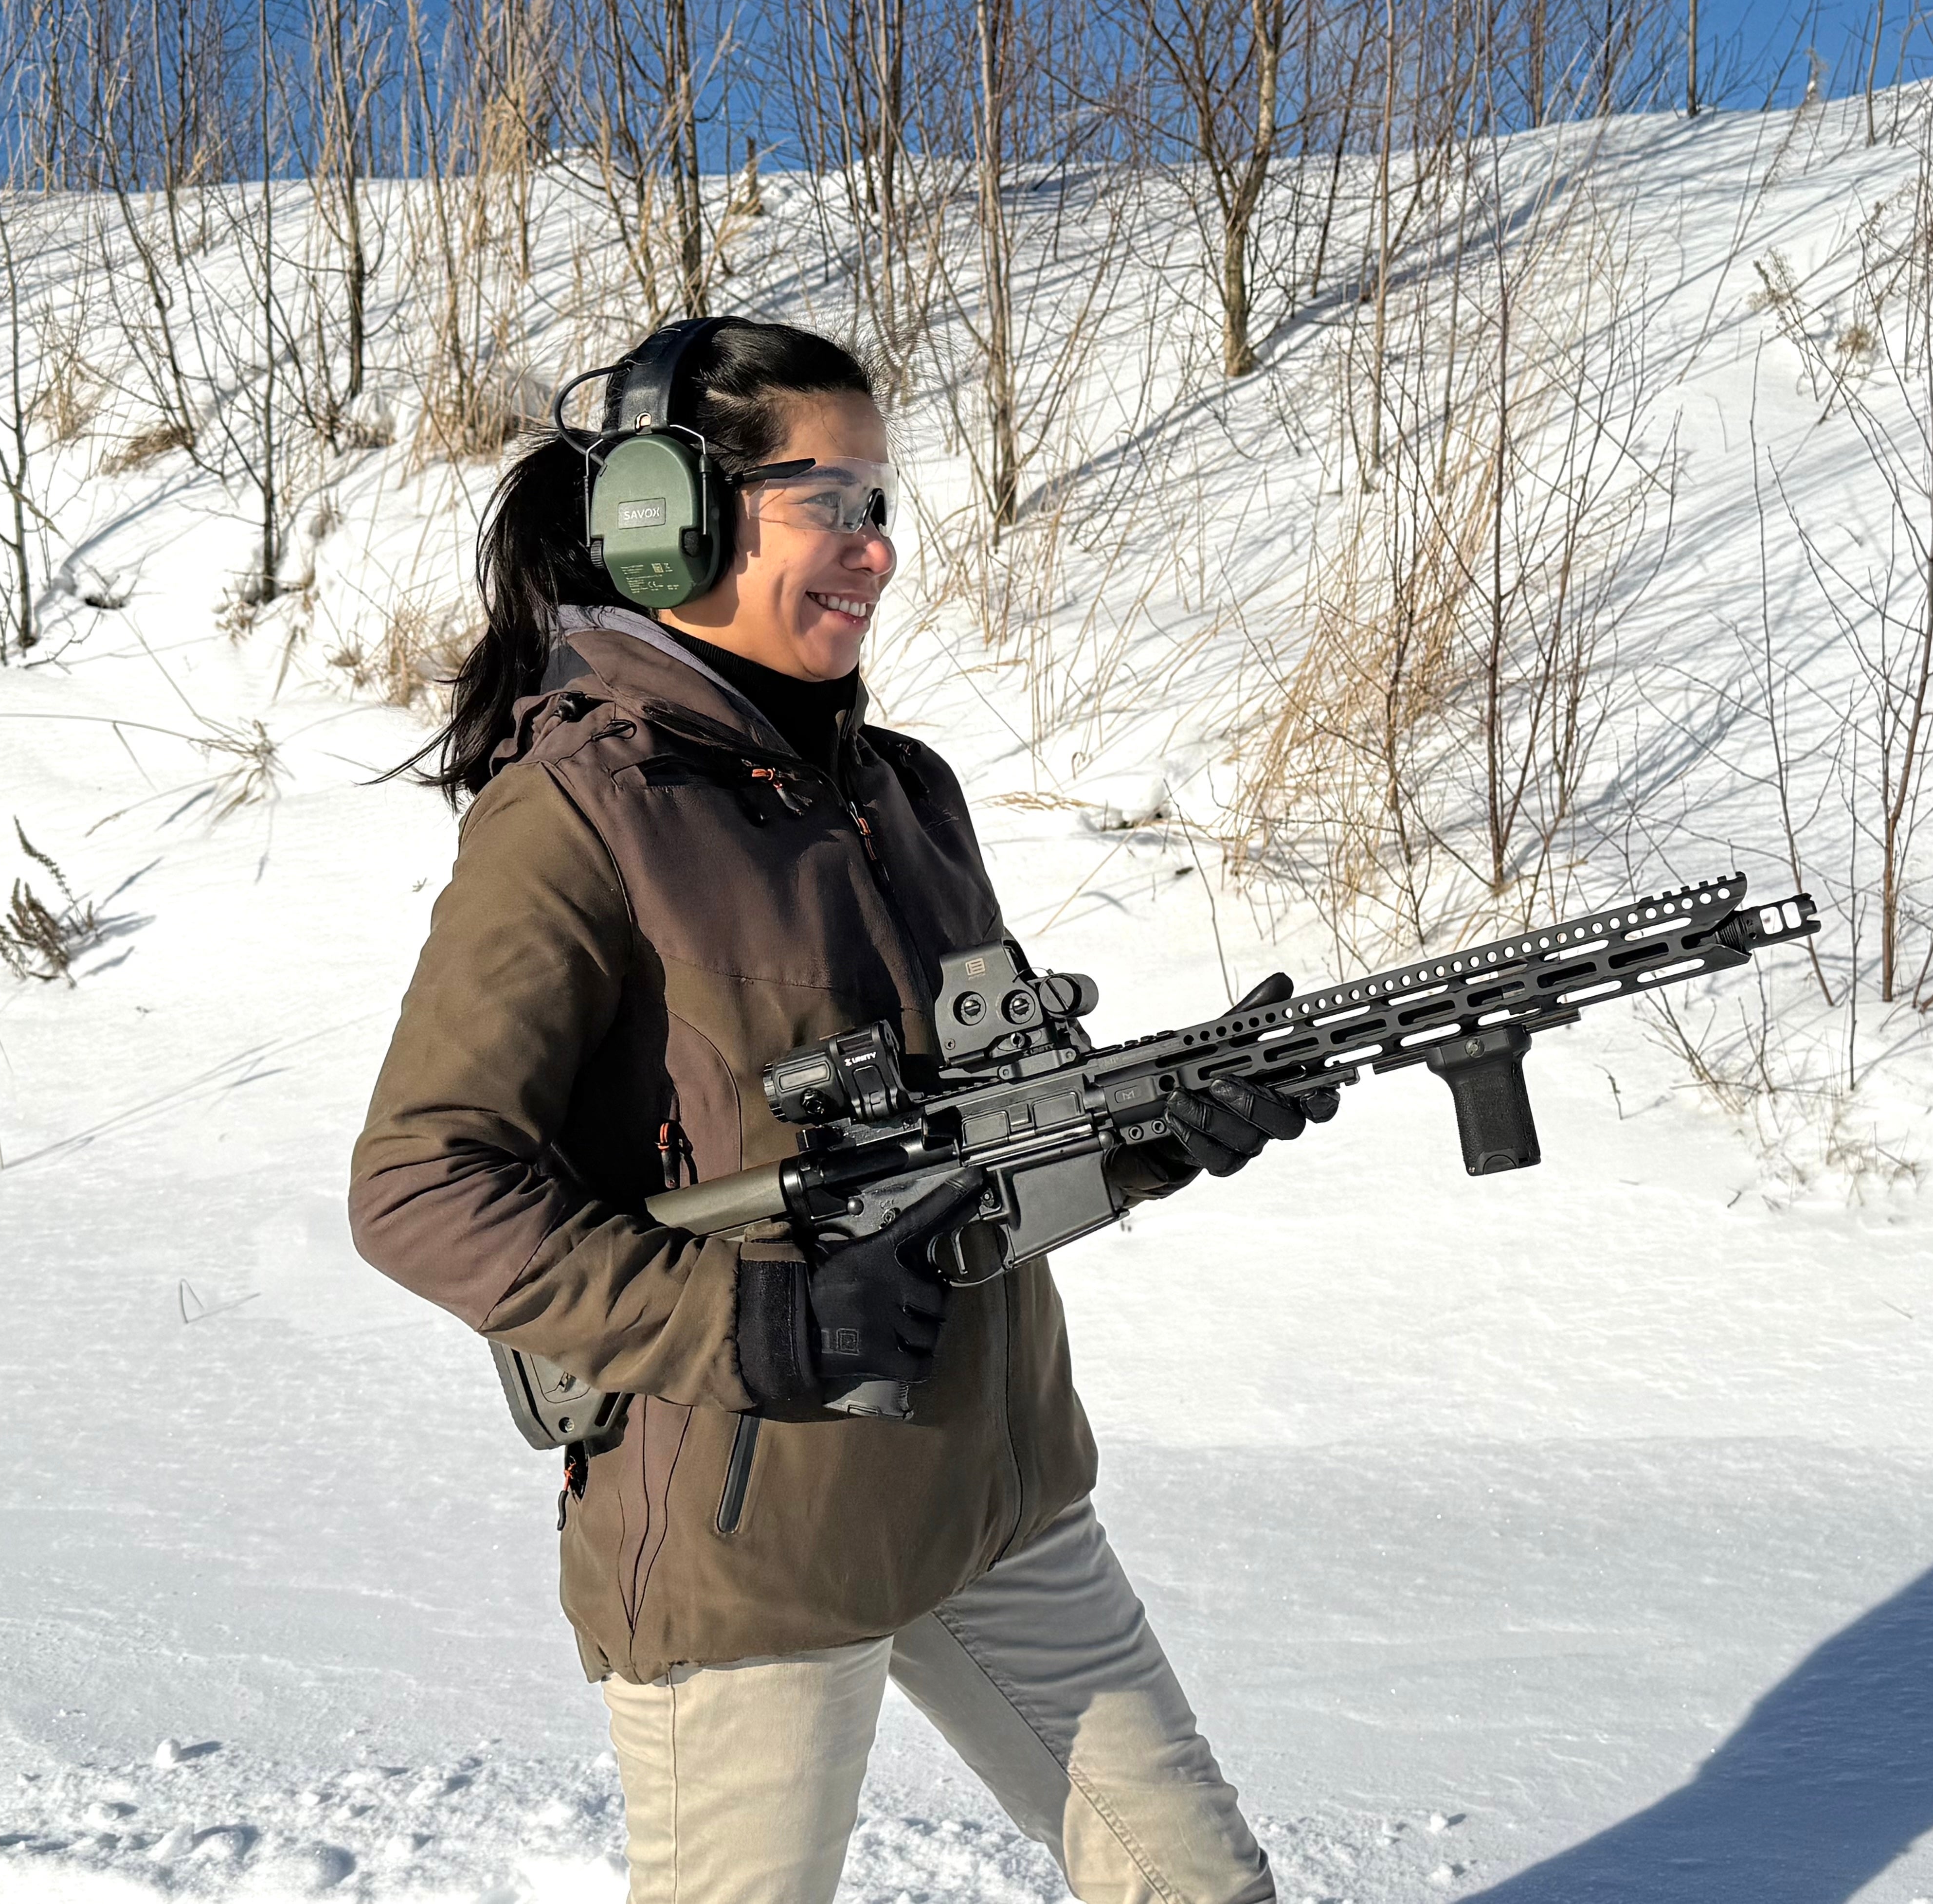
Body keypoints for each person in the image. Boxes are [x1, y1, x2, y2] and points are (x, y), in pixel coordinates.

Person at [351, 317, 1327, 1904]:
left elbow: (981, 1131)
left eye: (881, 502)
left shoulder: (903, 791)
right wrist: (754, 1325)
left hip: (993, 1478)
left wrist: (1152, 1126)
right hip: (762, 1530)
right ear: (685, 514)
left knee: (1204, 1887)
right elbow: (419, 1185)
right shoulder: (580, 814)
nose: (875, 550)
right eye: (833, 502)